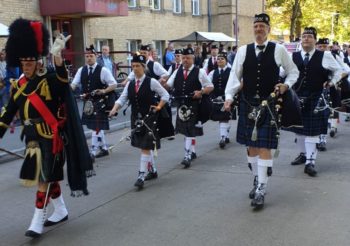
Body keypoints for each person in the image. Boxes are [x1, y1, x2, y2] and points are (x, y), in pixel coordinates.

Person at [0, 18, 93, 238]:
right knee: (47, 176)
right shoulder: (19, 84)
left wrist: (58, 58)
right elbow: (8, 112)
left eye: (30, 63)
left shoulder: (50, 77)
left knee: (44, 178)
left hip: (51, 137)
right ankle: (60, 209)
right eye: (23, 63)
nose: (26, 67)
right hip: (31, 139)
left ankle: (37, 220)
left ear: (39, 61)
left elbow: (63, 82)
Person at [224, 13, 299, 209]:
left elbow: (293, 71)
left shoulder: (279, 49)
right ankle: (258, 177)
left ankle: (261, 189)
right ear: (253, 28)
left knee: (265, 146)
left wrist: (286, 85)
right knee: (251, 147)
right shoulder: (242, 51)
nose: (259, 29)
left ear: (269, 29)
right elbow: (234, 76)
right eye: (256, 26)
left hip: (269, 105)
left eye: (262, 26)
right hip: (248, 104)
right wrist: (229, 98)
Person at [109, 54, 169, 188]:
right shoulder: (130, 83)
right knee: (144, 146)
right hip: (136, 118)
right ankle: (152, 170)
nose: (135, 69)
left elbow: (165, 95)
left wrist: (159, 106)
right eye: (133, 66)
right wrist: (114, 109)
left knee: (145, 146)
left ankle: (141, 175)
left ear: (144, 67)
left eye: (138, 66)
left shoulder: (151, 81)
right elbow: (122, 98)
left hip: (150, 118)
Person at [289, 27, 342, 177]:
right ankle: (303, 154)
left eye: (310, 36)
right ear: (301, 39)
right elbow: (283, 72)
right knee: (298, 129)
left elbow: (339, 70)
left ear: (314, 40)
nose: (306, 38)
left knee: (312, 131)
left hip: (316, 96)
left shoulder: (324, 55)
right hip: (296, 96)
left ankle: (310, 162)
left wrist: (331, 82)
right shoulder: (293, 56)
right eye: (304, 36)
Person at [164, 47, 213, 168]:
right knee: (186, 131)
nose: (185, 60)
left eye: (188, 58)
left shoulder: (199, 71)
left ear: (193, 59)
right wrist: (161, 85)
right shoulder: (177, 71)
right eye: (183, 58)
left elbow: (210, 86)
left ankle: (187, 156)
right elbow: (168, 86)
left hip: (194, 104)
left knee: (189, 130)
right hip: (181, 104)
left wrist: (200, 92)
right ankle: (192, 151)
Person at [71, 45, 117, 159]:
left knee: (95, 126)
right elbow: (73, 85)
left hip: (100, 102)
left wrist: (104, 90)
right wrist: (66, 90)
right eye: (87, 56)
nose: (89, 58)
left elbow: (114, 84)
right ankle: (104, 149)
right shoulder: (81, 70)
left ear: (96, 56)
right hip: (88, 104)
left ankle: (92, 152)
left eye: (91, 56)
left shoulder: (103, 70)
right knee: (96, 127)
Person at [208, 51, 234, 149]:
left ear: (226, 61)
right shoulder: (212, 72)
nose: (219, 60)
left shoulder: (231, 71)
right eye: (218, 59)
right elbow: (208, 83)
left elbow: (235, 84)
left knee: (225, 117)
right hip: (216, 98)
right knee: (222, 117)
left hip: (228, 97)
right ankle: (224, 136)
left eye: (222, 59)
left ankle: (223, 137)